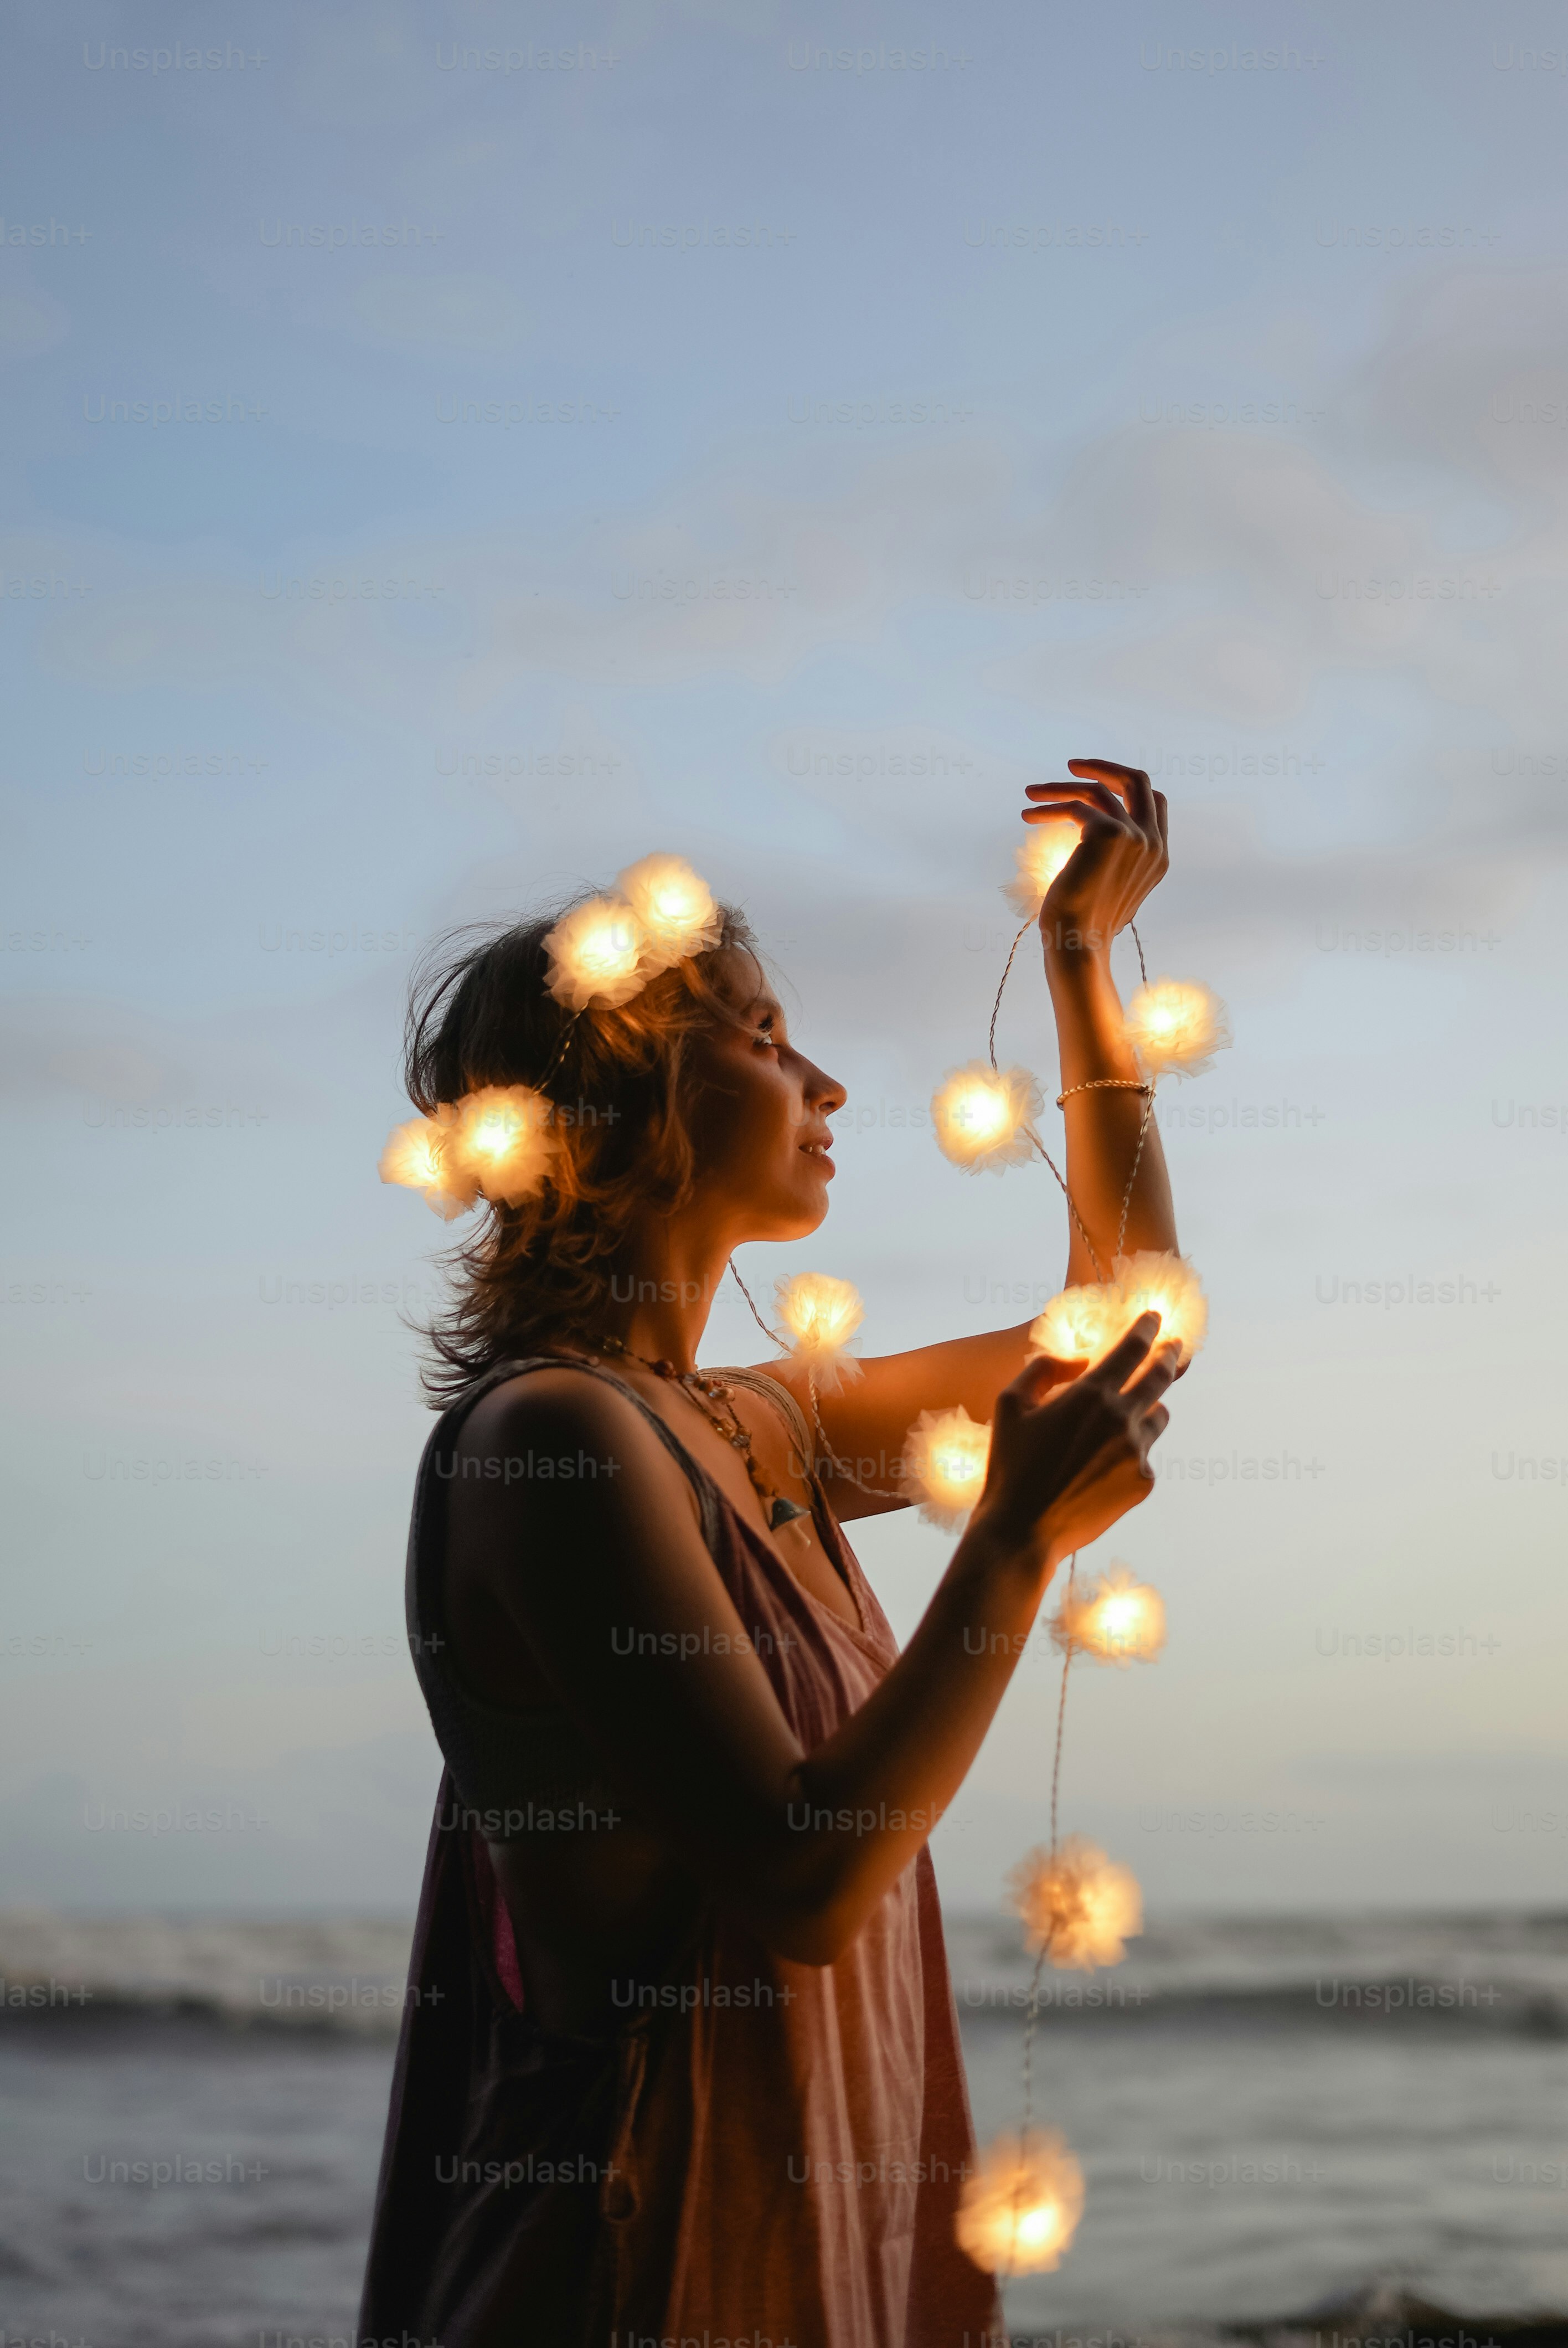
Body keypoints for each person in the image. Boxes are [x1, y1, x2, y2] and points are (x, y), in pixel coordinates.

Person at [359, 760, 1182, 2347]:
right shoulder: (556, 1440)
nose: (829, 1084)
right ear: (624, 1098)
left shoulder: (756, 1426)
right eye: (760, 1036)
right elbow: (799, 1876)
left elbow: (1134, 1317)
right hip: (645, 2255)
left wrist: (1080, 966)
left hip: (807, 2207)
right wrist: (1005, 1548)